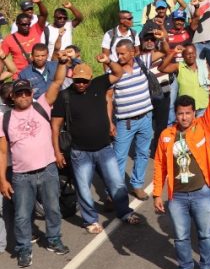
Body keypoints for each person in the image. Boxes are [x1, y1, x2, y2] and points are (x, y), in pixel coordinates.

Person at [51, 52, 142, 234]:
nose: (81, 84)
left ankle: (124, 211)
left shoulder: (100, 84)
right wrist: (57, 152)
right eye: (77, 80)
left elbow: (118, 73)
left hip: (104, 148)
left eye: (85, 80)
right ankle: (90, 220)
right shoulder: (64, 96)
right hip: (79, 152)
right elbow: (55, 126)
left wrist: (108, 61)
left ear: (91, 78)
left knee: (116, 183)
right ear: (72, 78)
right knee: (83, 188)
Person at [0, 57, 70, 268]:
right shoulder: (4, 119)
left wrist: (62, 63)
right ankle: (23, 249)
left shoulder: (42, 107)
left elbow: (57, 83)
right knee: (22, 216)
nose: (23, 96)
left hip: (48, 169)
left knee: (53, 208)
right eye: (19, 93)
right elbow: (3, 153)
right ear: (12, 97)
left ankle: (54, 239)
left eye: (26, 92)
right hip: (22, 175)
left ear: (32, 94)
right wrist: (3, 179)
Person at [152, 70, 210, 269]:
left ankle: (207, 267)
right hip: (178, 197)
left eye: (188, 113)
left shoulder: (203, 127)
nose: (184, 117)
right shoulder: (166, 136)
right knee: (181, 238)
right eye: (180, 113)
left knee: (206, 234)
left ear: (194, 113)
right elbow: (159, 165)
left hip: (201, 193)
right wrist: (157, 194)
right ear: (176, 113)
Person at [111, 38, 159, 200]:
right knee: (119, 158)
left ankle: (137, 185)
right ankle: (114, 192)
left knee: (143, 153)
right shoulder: (114, 71)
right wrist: (109, 122)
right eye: (118, 53)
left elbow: (164, 51)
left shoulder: (142, 61)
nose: (119, 56)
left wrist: (163, 36)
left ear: (132, 52)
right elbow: (108, 97)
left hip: (146, 118)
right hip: (125, 122)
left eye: (123, 53)